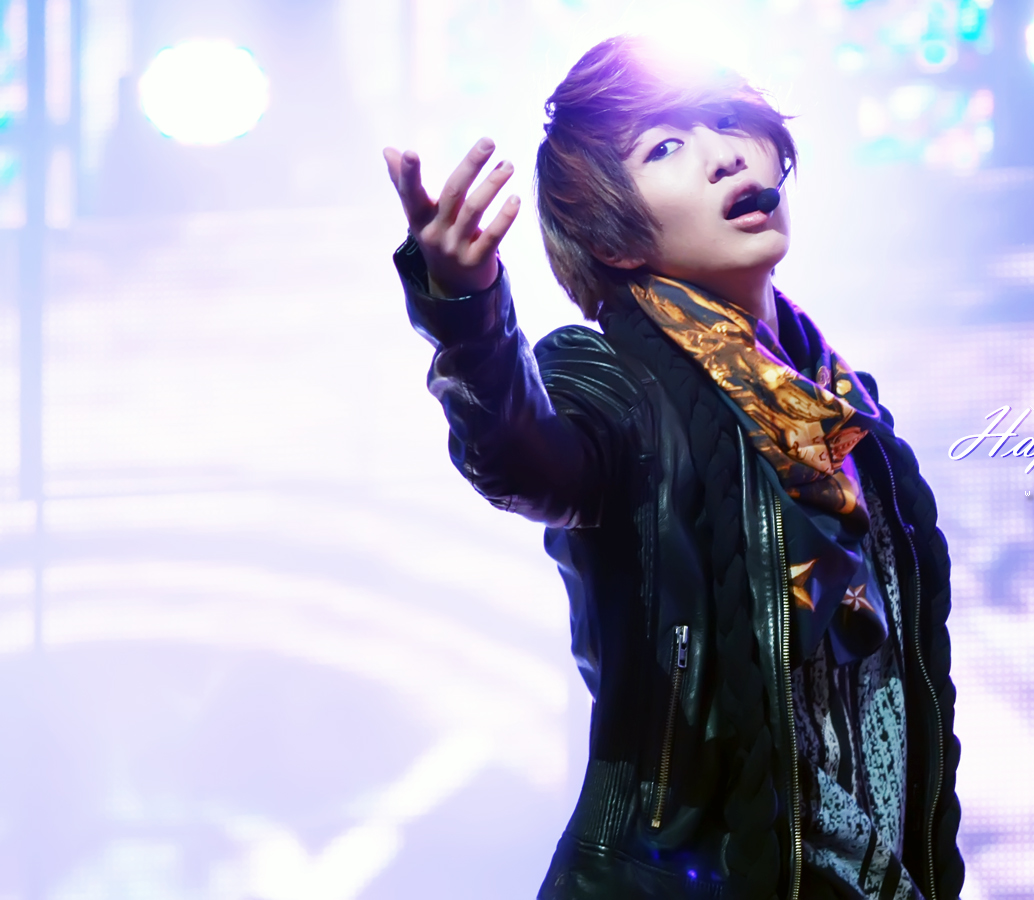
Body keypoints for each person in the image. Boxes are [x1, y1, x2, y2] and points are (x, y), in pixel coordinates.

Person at [382, 36, 961, 900]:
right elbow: (518, 455)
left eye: (728, 121)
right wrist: (465, 311)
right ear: (612, 235)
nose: (725, 154)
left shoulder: (841, 406)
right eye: (665, 147)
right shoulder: (611, 381)